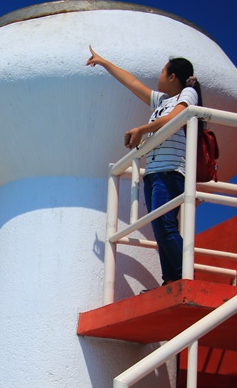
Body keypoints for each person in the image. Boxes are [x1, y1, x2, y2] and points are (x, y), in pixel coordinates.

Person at [85, 47, 203, 284]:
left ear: (172, 77)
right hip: (153, 173)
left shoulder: (187, 94)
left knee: (166, 225)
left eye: (162, 72)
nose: (159, 76)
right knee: (159, 228)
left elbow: (175, 118)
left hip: (170, 172)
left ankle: (185, 277)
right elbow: (131, 82)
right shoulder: (162, 101)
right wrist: (104, 62)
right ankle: (170, 280)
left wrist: (142, 129)